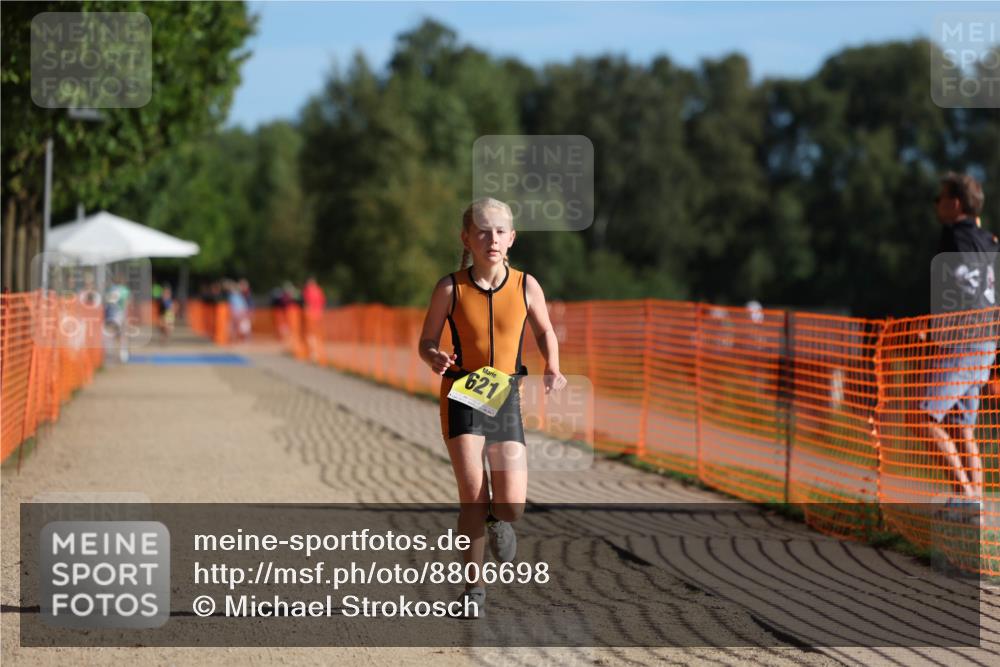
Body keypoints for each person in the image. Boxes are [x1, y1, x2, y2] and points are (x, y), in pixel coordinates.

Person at [417, 197, 567, 619]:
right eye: (483, 231)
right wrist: (434, 356)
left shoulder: (526, 285)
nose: (492, 239)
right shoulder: (450, 288)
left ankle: (498, 520)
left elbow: (545, 330)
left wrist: (553, 365)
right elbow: (426, 340)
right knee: (472, 497)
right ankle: (473, 588)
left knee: (511, 504)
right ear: (467, 238)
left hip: (504, 394)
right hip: (462, 391)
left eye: (500, 231)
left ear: (512, 238)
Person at [919, 172, 999, 512]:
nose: (936, 205)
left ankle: (965, 497)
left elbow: (956, 286)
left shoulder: (953, 236)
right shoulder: (989, 240)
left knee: (923, 417)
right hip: (987, 341)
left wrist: (935, 328)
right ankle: (975, 506)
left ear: (955, 203)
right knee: (961, 426)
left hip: (963, 340)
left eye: (939, 199)